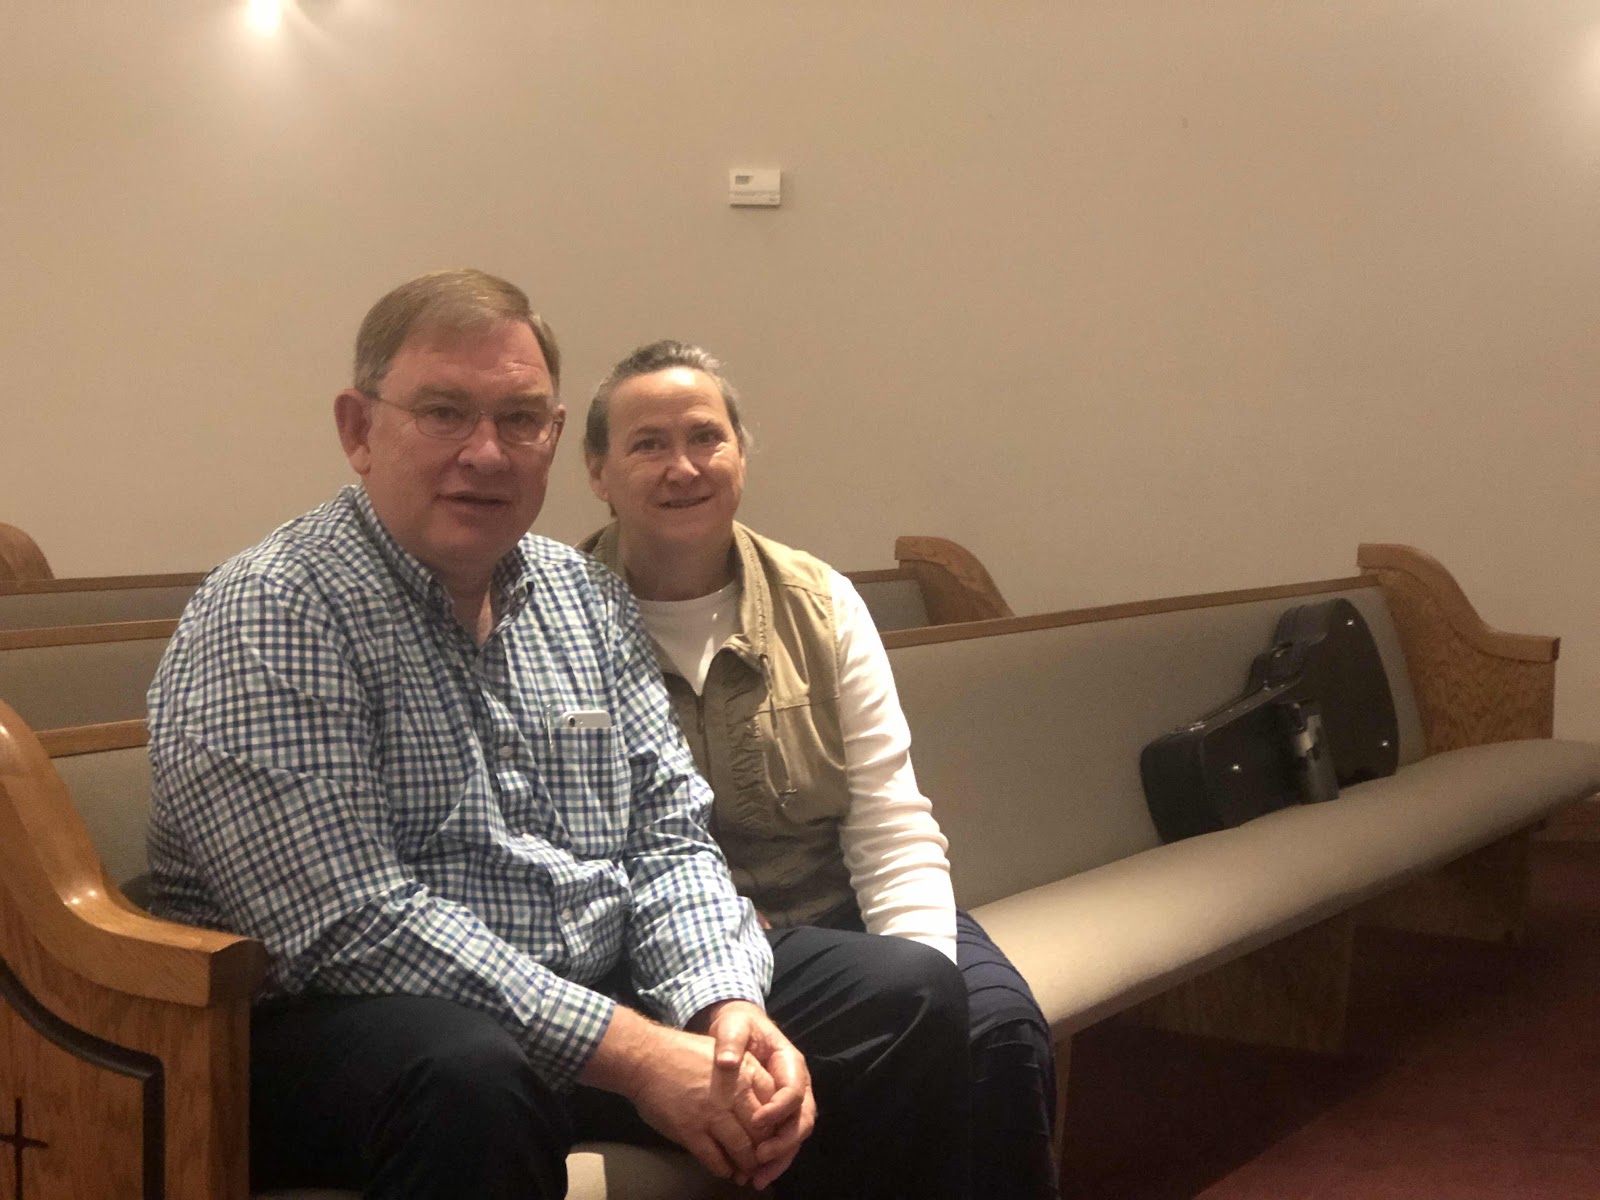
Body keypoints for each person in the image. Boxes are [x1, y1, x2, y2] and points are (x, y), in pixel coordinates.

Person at [145, 270, 971, 1200]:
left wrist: (722, 1002)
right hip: (338, 1024)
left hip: (589, 989)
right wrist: (638, 1055)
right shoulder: (275, 608)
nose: (487, 452)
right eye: (444, 413)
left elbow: (669, 837)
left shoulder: (584, 597)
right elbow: (347, 923)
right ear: (358, 429)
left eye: (521, 419)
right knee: (469, 1075)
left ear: (554, 435)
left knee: (902, 994)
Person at [580, 340, 1062, 1200]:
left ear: (741, 454)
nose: (683, 466)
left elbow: (888, 822)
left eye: (706, 436)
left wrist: (921, 983)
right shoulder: (557, 618)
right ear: (598, 473)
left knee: (996, 1030)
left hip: (835, 915)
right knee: (775, 1079)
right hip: (659, 956)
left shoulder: (822, 602)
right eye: (648, 444)